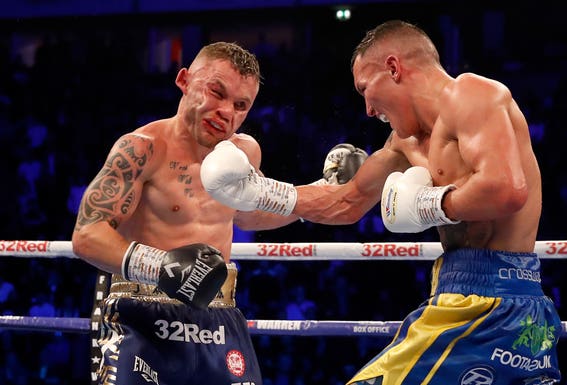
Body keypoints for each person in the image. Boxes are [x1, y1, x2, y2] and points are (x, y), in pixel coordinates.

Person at [201, 20, 562, 384]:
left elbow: (507, 190)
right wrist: (258, 193)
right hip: (462, 298)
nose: (369, 110)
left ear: (393, 68)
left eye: (364, 88)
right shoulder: (402, 144)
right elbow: (347, 201)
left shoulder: (471, 94)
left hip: (495, 303)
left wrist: (428, 204)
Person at [71, 41, 367, 385]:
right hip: (139, 315)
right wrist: (161, 267)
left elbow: (250, 215)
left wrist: (326, 186)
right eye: (216, 93)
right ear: (184, 80)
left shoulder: (244, 152)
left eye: (241, 105)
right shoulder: (142, 148)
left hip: (216, 315)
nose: (227, 112)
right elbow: (87, 235)